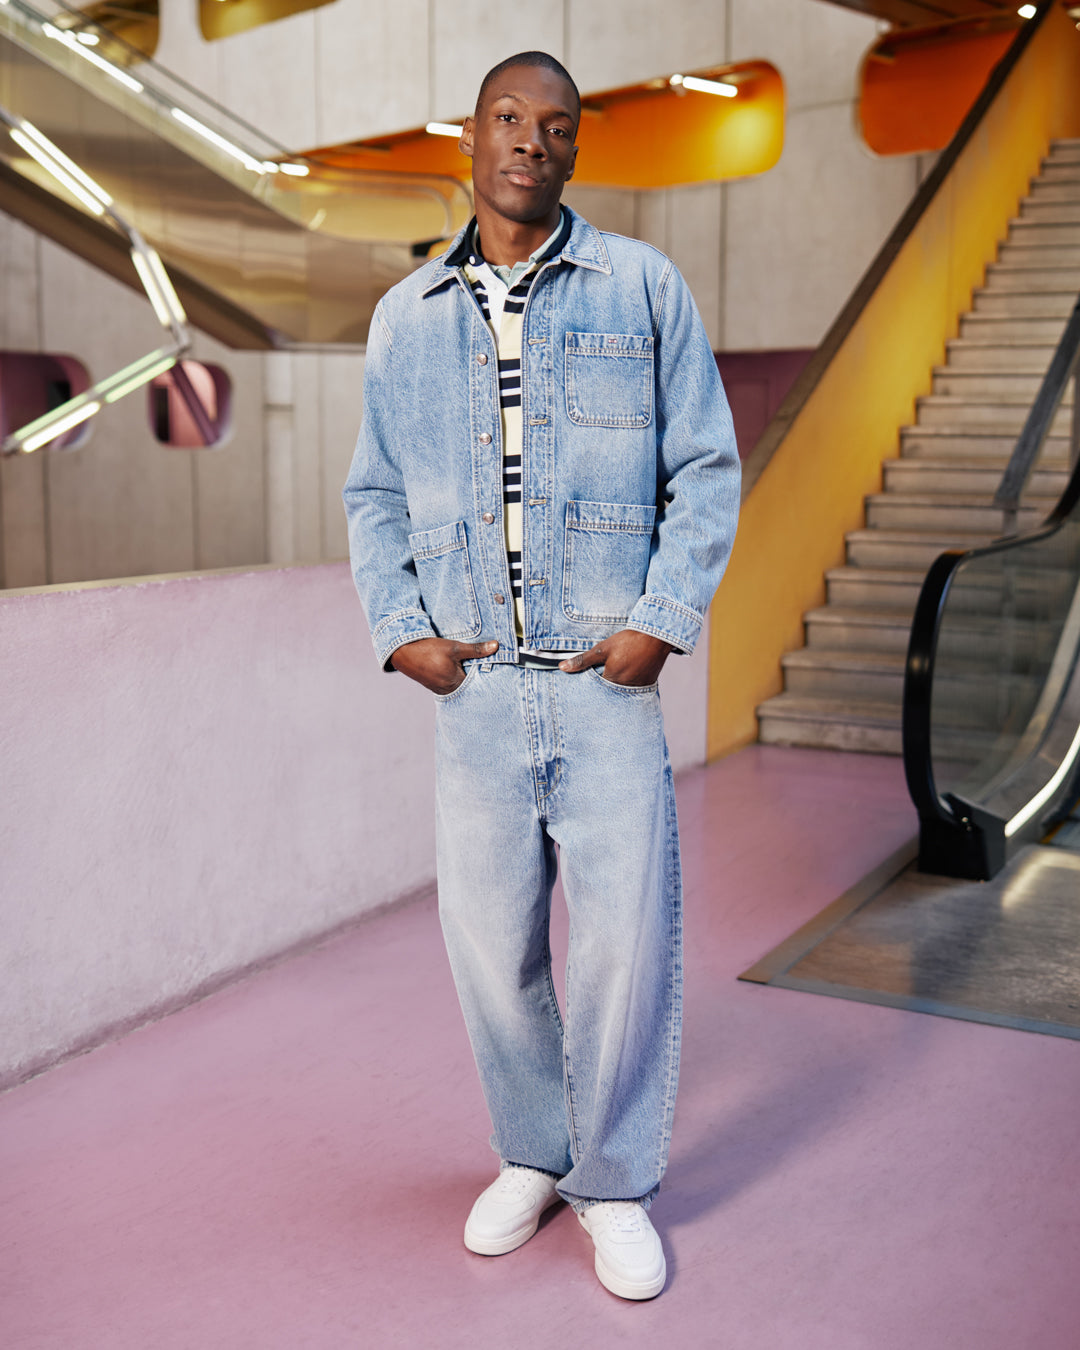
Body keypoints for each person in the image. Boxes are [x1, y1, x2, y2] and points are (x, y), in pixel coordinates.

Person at [343, 51, 740, 1301]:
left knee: (623, 945)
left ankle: (613, 1183)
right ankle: (537, 1152)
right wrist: (401, 630)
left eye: (555, 125)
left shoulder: (643, 287)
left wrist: (660, 624)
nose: (531, 140)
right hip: (473, 688)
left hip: (600, 682)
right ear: (470, 140)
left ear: (575, 148)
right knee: (488, 946)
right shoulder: (407, 316)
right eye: (509, 119)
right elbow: (374, 492)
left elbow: (707, 467)